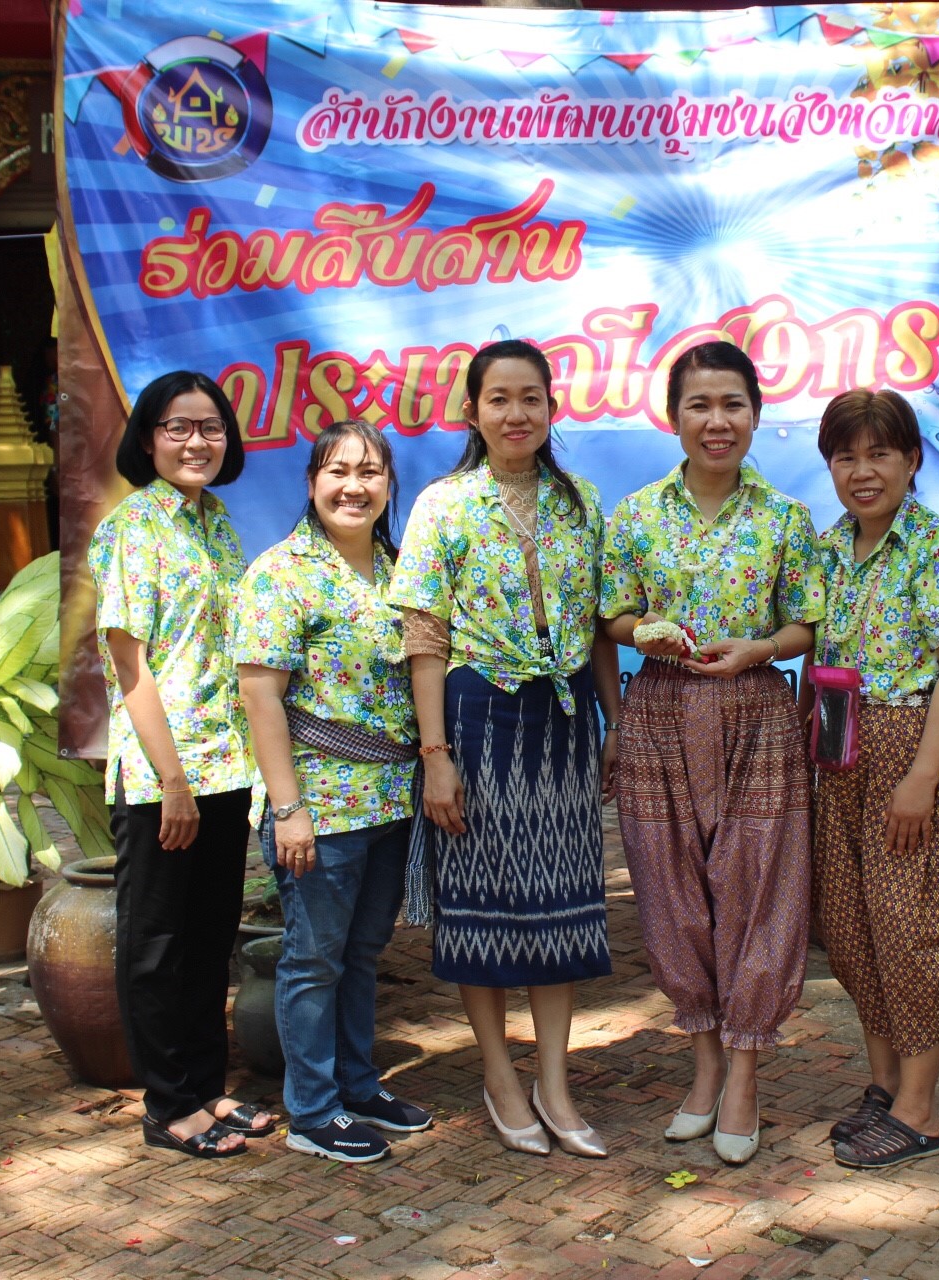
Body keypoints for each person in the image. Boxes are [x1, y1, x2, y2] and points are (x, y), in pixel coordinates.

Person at [387, 339, 622, 1159]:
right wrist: (436, 754)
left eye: (531, 398)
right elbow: (424, 636)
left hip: (562, 723)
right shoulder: (442, 505)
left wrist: (614, 722)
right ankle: (498, 1075)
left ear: (552, 407)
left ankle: (554, 1081)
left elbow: (597, 628)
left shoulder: (582, 503)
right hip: (476, 717)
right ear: (472, 410)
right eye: (499, 399)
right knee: (482, 906)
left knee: (560, 904)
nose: (516, 414)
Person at [602, 340, 822, 1165]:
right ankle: (702, 1066)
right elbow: (614, 616)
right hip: (659, 712)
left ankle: (745, 1077)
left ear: (756, 415)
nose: (717, 421)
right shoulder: (634, 516)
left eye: (732, 404)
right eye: (699, 405)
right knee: (672, 891)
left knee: (756, 887)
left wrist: (762, 648)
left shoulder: (786, 519)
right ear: (674, 417)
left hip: (756, 713)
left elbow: (805, 621)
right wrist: (644, 633)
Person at [234, 420, 434, 1165]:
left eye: (371, 472)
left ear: (389, 485)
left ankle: (357, 1083)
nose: (355, 486)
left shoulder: (399, 570)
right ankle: (312, 1110)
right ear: (312, 481)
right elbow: (262, 700)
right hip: (319, 804)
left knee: (361, 952)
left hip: (390, 799)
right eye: (339, 471)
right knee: (313, 958)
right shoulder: (280, 574)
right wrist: (289, 811)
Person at [89, 370, 275, 1159]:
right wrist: (171, 781)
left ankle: (205, 1087)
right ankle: (167, 1105)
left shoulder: (216, 523)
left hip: (226, 764)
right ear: (147, 438)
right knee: (157, 943)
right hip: (164, 774)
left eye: (210, 427)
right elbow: (130, 667)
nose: (196, 442)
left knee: (207, 940)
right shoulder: (134, 528)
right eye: (177, 427)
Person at [809, 388, 939, 1169]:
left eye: (879, 453)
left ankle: (920, 1112)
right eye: (846, 455)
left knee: (908, 936)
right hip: (836, 751)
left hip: (907, 753)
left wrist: (921, 776)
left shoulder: (937, 548)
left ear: (913, 460)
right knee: (852, 935)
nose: (862, 470)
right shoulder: (827, 546)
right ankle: (884, 1088)